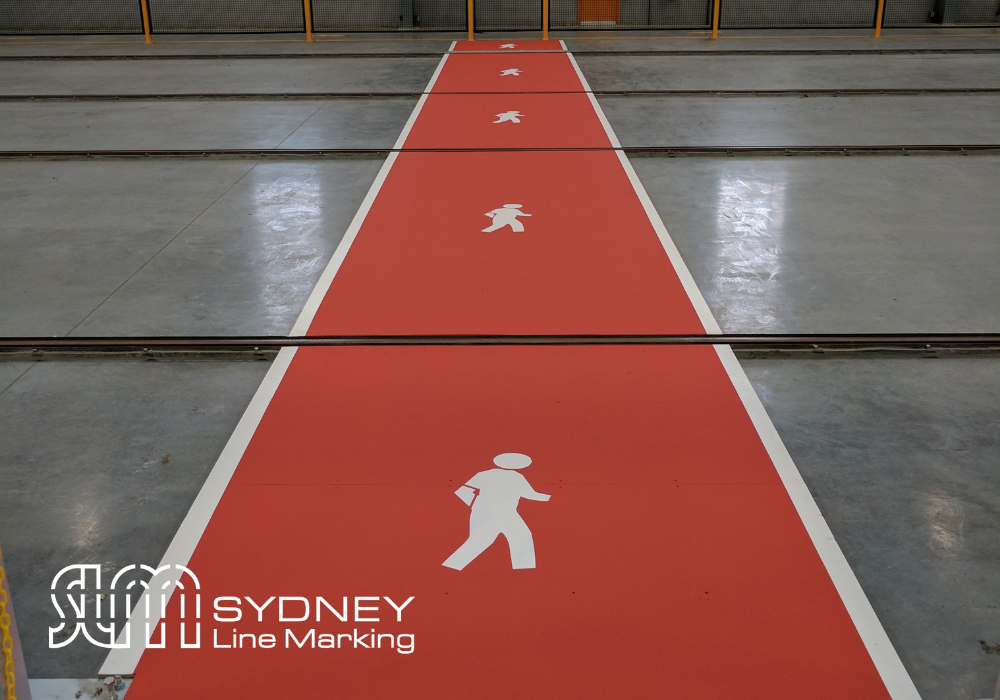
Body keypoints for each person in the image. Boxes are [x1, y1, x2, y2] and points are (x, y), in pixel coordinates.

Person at [443, 453, 550, 571]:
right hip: (503, 514)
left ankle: (524, 569)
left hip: (492, 513)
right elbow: (531, 495)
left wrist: (475, 505)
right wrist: (550, 497)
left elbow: (462, 491)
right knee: (482, 541)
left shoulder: (485, 474)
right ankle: (451, 566)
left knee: (520, 537)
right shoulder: (516, 477)